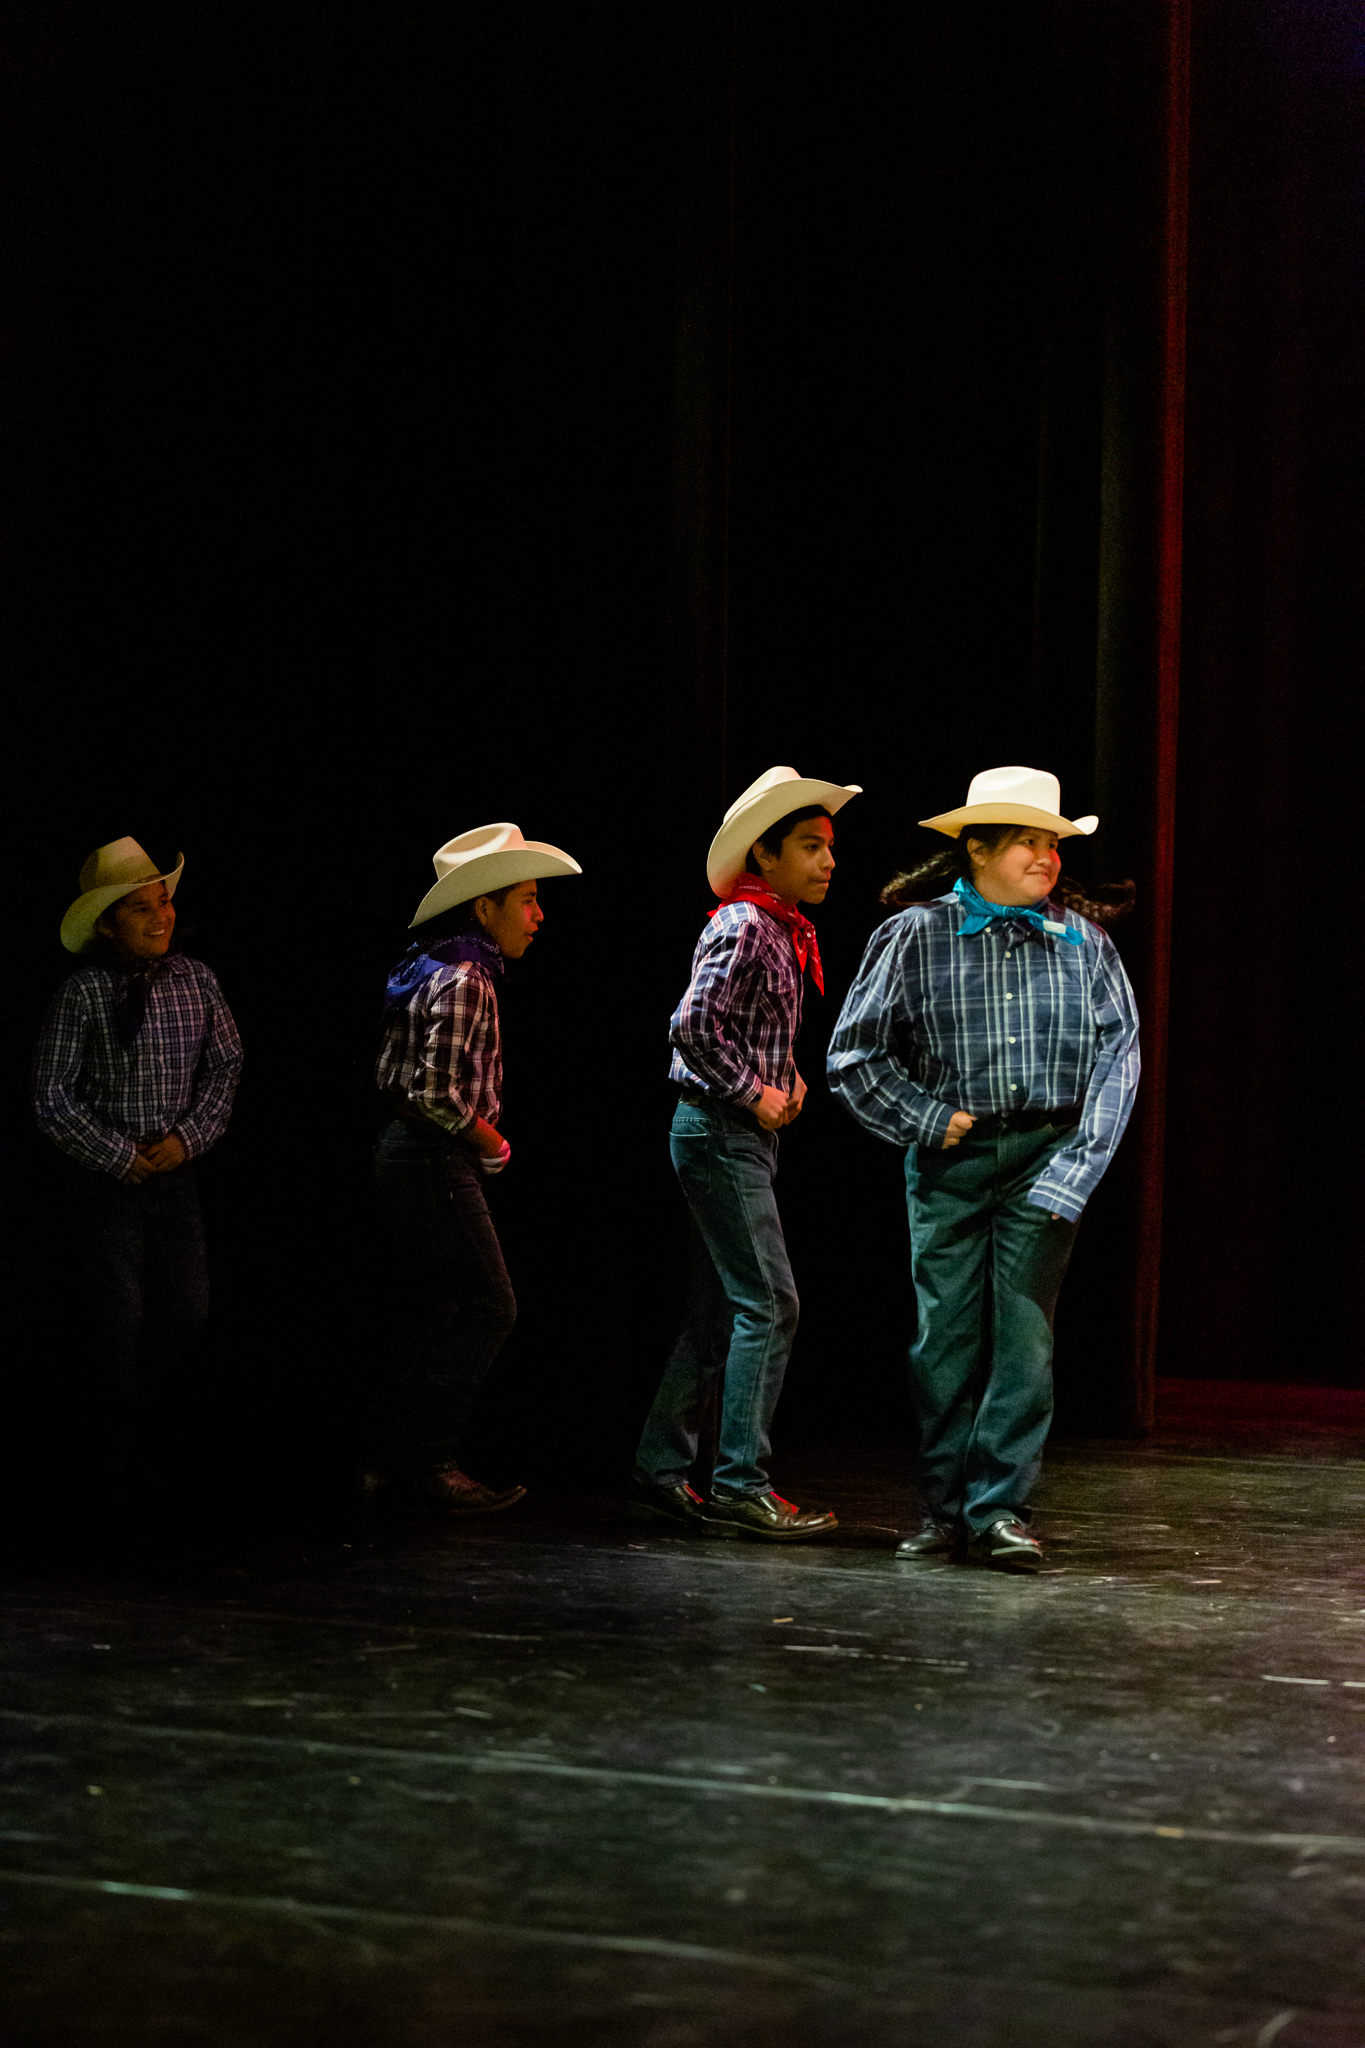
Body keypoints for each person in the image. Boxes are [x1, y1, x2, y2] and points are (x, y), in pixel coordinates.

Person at [827, 765, 1139, 1573]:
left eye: (1053, 843)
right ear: (977, 848)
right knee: (944, 1343)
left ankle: (999, 1510)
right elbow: (853, 1055)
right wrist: (926, 1119)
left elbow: (1118, 1060)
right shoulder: (915, 936)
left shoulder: (1084, 942)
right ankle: (941, 1510)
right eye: (1030, 842)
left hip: (1045, 1157)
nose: (1048, 857)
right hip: (952, 1162)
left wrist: (1075, 1170)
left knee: (1022, 1346)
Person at [631, 765, 861, 1541]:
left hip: (735, 1135)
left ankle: (659, 1470)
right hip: (718, 1132)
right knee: (769, 1302)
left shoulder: (779, 928)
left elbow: (749, 1027)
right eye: (808, 846)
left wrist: (784, 1077)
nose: (827, 861)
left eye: (828, 847)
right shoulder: (743, 924)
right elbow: (692, 1025)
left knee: (718, 1310)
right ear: (763, 857)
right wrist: (751, 1092)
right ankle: (738, 1481)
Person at [372, 821, 582, 1514]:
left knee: (439, 1307)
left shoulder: (431, 961)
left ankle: (392, 1459)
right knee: (491, 1305)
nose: (538, 913)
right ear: (484, 907)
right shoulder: (468, 976)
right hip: (431, 1154)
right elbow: (434, 1095)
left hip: (410, 1153)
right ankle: (426, 1463)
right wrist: (489, 1138)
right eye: (524, 899)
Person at [32, 837, 244, 1484]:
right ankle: (110, 1443)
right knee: (115, 1314)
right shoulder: (84, 993)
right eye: (139, 908)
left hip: (175, 1171)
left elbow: (226, 1065)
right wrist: (119, 1155)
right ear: (105, 923)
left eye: (163, 902)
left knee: (186, 1308)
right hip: (108, 1179)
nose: (160, 916)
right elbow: (51, 1094)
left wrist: (187, 1139)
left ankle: (145, 1419)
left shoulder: (196, 981)